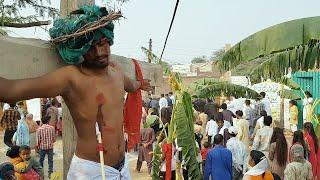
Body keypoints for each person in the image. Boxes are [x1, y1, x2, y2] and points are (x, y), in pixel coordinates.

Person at [0, 5, 152, 179]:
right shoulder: (72, 78)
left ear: (109, 41)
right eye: (91, 47)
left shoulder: (116, 71)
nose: (99, 52)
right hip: (90, 171)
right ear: (79, 49)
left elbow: (131, 85)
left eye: (103, 43)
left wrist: (141, 83)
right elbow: (11, 90)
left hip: (123, 167)